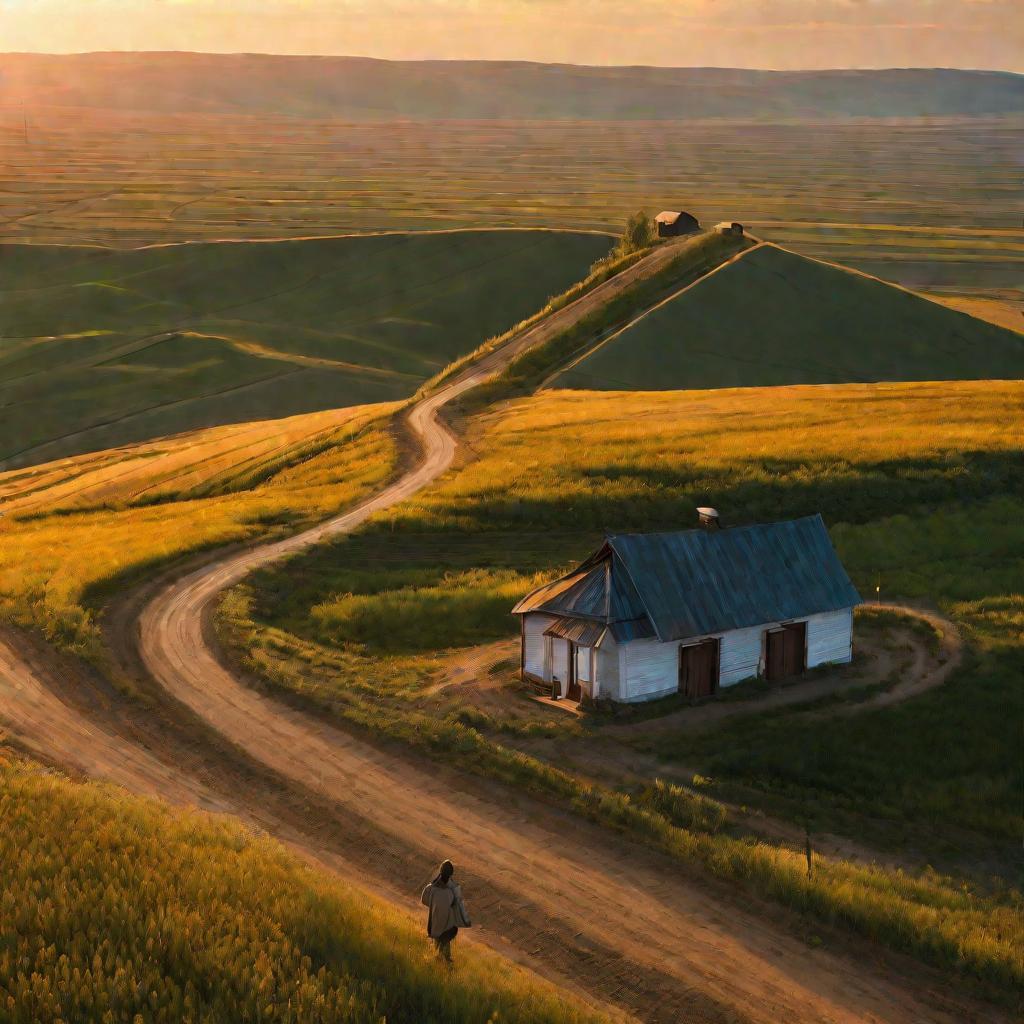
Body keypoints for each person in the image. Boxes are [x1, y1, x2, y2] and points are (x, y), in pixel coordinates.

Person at [421, 859, 471, 963]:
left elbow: (424, 899)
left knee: (438, 948)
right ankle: (444, 965)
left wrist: (435, 905)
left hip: (435, 925)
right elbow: (459, 908)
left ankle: (439, 964)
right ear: (450, 874)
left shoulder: (431, 889)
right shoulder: (452, 891)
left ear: (440, 872)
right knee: (444, 953)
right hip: (448, 928)